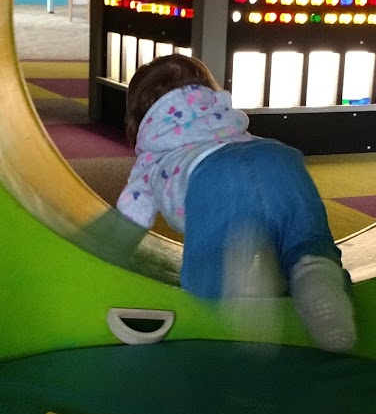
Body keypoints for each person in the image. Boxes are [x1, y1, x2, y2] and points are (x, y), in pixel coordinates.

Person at [113, 53, 355, 352]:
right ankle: (315, 272)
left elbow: (130, 217)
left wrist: (105, 245)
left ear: (138, 118)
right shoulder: (225, 120)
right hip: (277, 159)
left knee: (205, 278)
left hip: (212, 177)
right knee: (307, 239)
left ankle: (241, 266)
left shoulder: (153, 156)